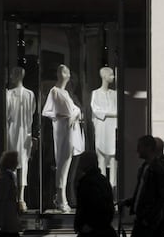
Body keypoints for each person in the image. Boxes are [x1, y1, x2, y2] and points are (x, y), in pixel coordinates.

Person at [42, 64, 85, 213]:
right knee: (62, 163)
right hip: (63, 130)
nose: (65, 74)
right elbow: (47, 111)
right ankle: (61, 198)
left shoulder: (65, 93)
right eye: (63, 71)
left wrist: (75, 113)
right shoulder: (55, 92)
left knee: (67, 162)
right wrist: (65, 116)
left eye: (66, 71)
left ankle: (61, 197)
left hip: (70, 130)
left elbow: (76, 109)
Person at [122, 135, 164, 237]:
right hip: (142, 219)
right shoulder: (145, 167)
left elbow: (163, 197)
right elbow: (142, 193)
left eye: (140, 147)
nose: (137, 150)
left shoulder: (157, 169)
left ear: (148, 148)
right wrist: (130, 202)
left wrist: (148, 218)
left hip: (146, 221)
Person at [72, 151, 120, 237]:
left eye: (82, 161)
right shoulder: (102, 180)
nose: (79, 164)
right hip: (101, 226)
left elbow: (90, 205)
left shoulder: (87, 182)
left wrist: (85, 224)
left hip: (91, 227)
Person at [6, 67, 36, 212]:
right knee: (21, 163)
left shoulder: (10, 94)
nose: (10, 76)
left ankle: (19, 198)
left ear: (18, 75)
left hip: (16, 131)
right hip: (23, 132)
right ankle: (20, 198)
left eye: (12, 74)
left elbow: (7, 114)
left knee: (16, 162)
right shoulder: (29, 94)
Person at [91, 67, 118, 192]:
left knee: (113, 159)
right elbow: (96, 111)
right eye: (111, 75)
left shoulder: (115, 94)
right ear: (104, 76)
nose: (113, 77)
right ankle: (102, 189)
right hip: (102, 130)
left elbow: (119, 111)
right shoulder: (95, 93)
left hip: (112, 129)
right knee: (101, 159)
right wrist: (111, 113)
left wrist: (108, 114)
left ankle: (113, 188)